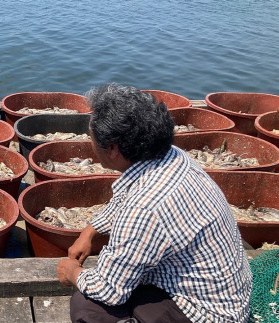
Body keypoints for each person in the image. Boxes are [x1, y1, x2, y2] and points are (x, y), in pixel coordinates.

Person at [56, 84, 252, 323]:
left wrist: (73, 273)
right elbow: (124, 196)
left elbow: (109, 290)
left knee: (86, 307)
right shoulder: (171, 155)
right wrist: (90, 232)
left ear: (113, 148)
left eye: (91, 136)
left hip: (208, 315)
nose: (90, 142)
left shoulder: (144, 209)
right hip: (227, 296)